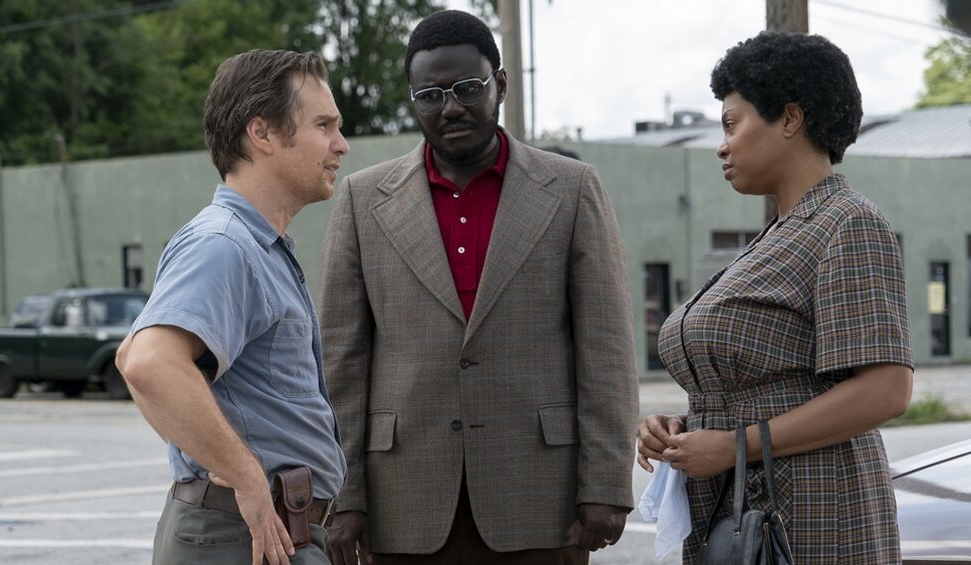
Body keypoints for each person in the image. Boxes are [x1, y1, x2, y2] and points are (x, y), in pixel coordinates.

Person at [318, 9, 639, 565]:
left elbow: (606, 347)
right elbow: (340, 360)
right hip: (404, 500)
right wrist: (343, 494)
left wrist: (607, 482)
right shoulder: (361, 200)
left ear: (501, 85)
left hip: (540, 495)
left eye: (468, 87)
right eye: (430, 95)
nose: (451, 107)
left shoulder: (571, 188)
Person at [636, 31, 914, 564]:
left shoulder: (847, 223)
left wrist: (733, 445)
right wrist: (682, 431)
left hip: (814, 510)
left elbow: (886, 391)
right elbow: (763, 386)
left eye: (731, 123)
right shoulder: (777, 237)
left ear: (790, 119)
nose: (722, 145)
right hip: (742, 507)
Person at [116, 49, 349, 565]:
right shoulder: (225, 244)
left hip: (261, 531)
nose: (341, 144)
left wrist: (207, 453)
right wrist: (245, 477)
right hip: (242, 535)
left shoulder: (250, 245)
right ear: (261, 133)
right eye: (324, 125)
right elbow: (147, 362)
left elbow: (130, 355)